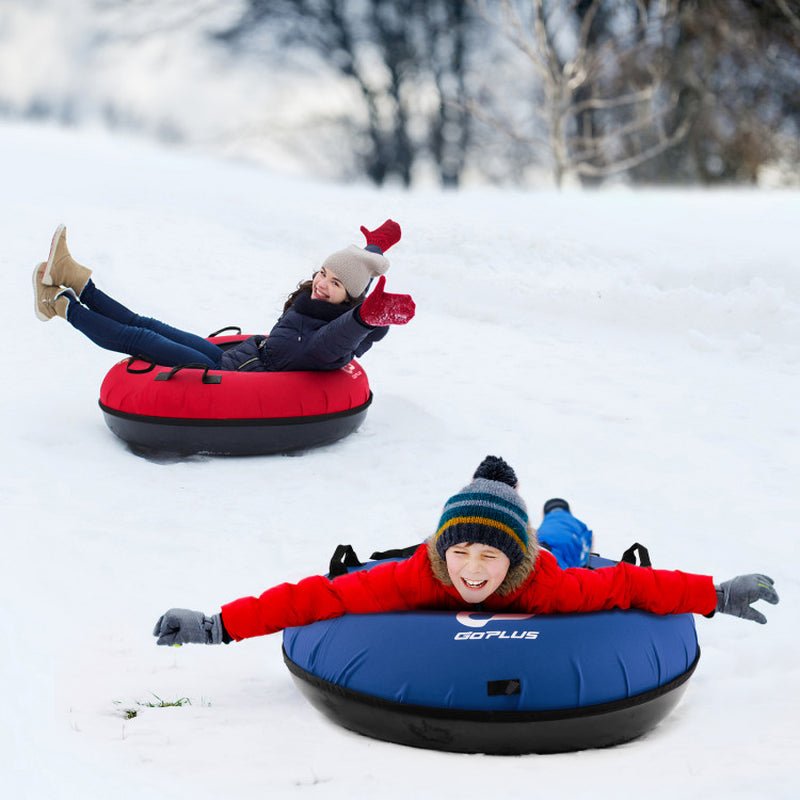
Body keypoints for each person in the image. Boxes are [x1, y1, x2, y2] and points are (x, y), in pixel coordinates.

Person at [153, 456, 779, 646]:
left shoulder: (549, 583)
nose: (473, 572)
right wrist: (216, 625)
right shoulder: (414, 576)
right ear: (442, 550)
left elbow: (632, 586)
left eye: (491, 557)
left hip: (549, 548)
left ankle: (559, 514)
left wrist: (715, 595)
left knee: (564, 539)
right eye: (463, 554)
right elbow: (317, 597)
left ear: (515, 562)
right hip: (450, 545)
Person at [32, 220, 415, 370]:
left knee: (140, 339)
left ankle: (60, 306)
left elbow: (344, 333)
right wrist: (375, 250)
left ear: (350, 299)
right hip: (235, 357)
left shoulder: (332, 341)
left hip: (229, 375)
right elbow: (356, 278)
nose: (322, 283)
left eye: (334, 283)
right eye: (324, 272)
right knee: (147, 324)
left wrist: (367, 317)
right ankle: (80, 284)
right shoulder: (315, 304)